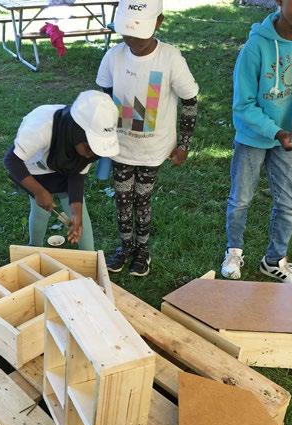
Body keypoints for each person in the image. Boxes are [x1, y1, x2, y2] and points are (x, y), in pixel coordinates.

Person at [96, 0, 199, 276]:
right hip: (120, 147)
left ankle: (142, 250)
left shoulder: (170, 58)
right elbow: (103, 100)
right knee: (121, 197)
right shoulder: (113, 57)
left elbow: (190, 99)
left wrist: (184, 144)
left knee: (142, 199)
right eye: (126, 32)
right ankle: (125, 246)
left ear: (159, 21)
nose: (132, 39)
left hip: (153, 149)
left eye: (139, 32)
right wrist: (101, 136)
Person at [221, 0, 292, 283]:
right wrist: (277, 131)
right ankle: (234, 252)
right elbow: (243, 105)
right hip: (253, 137)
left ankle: (274, 260)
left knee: (289, 203)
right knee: (241, 199)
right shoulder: (255, 48)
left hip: (286, 138)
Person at [4, 90, 119, 250]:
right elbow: (12, 161)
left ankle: (90, 257)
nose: (91, 154)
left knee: (79, 214)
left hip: (63, 165)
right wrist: (38, 191)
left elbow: (76, 177)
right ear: (76, 134)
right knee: (40, 210)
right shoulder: (40, 128)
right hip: (35, 168)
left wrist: (76, 214)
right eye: (89, 148)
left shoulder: (87, 148)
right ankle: (34, 248)